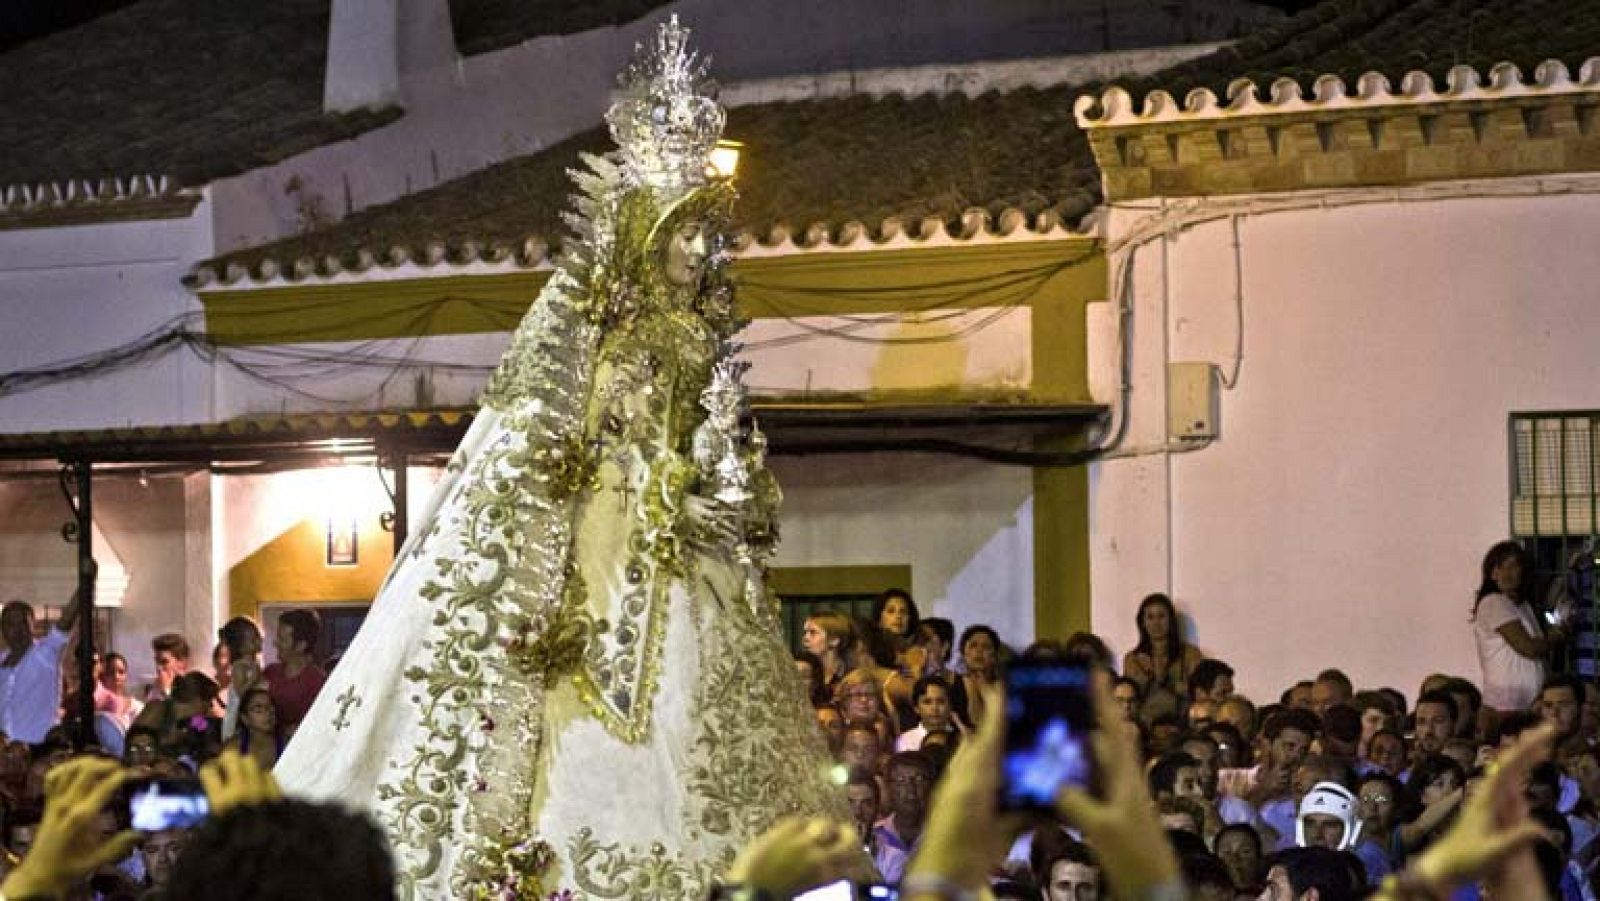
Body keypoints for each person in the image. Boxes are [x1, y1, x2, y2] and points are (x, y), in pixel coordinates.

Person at [271, 21, 843, 898]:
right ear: (642, 233)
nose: (696, 251)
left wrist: (723, 482)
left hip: (686, 572)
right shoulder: (589, 336)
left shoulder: (699, 342)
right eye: (680, 232)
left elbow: (720, 463)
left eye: (704, 234)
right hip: (600, 565)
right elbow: (562, 449)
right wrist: (663, 491)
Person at [1473, 540, 1565, 712]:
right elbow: (1528, 648)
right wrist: (1557, 636)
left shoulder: (1522, 606)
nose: (1508, 573)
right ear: (1492, 573)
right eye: (1501, 567)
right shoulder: (1494, 602)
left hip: (1530, 704)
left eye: (1514, 566)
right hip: (1505, 706)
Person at [0, 582, 83, 745]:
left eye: (22, 623)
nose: (16, 630)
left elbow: (67, 619)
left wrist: (86, 583)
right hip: (5, 754)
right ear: (2, 629)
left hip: (40, 749)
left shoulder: (45, 654)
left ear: (33, 624)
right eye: (9, 624)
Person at [1121, 593, 1203, 721]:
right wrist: (1149, 676)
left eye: (1161, 616)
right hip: (1145, 726)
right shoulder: (1133, 659)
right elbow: (1130, 698)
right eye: (1150, 617)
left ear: (1171, 620)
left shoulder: (1190, 654)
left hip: (1183, 723)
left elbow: (1198, 693)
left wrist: (1165, 681)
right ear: (1142, 622)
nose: (1156, 623)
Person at [262, 609, 328, 741]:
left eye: (282, 639)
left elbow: (315, 726)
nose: (276, 643)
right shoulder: (270, 672)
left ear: (300, 646)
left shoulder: (316, 682)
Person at [227, 687, 284, 771]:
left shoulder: (287, 743)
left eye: (270, 707)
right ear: (245, 718)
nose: (268, 712)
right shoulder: (234, 747)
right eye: (258, 709)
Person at [146, 633, 190, 703]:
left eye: (164, 662)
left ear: (181, 662)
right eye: (157, 661)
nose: (158, 668)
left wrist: (166, 691)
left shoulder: (194, 690)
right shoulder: (155, 690)